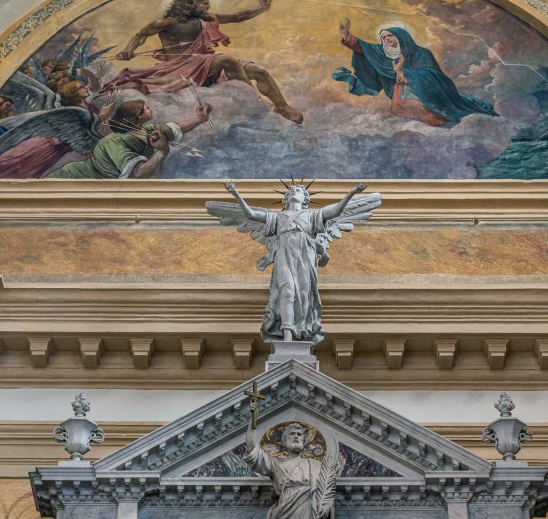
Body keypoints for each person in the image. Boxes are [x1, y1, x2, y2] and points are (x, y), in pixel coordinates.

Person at [104, 0, 303, 123]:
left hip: (205, 61)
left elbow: (237, 17)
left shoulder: (208, 18)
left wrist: (261, 8)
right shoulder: (165, 22)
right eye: (204, 4)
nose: (207, 7)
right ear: (189, 5)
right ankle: (253, 100)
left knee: (260, 71)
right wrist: (127, 50)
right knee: (228, 60)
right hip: (181, 66)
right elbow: (140, 35)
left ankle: (282, 107)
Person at [221, 180, 368, 342]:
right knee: (287, 290)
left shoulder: (312, 215)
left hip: (304, 252)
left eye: (298, 190)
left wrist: (351, 193)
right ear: (285, 198)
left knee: (304, 294)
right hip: (284, 251)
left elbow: (335, 211)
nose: (293, 191)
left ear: (305, 198)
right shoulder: (277, 217)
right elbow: (251, 215)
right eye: (290, 191)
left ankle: (302, 329)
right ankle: (287, 335)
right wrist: (235, 194)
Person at [334, 18, 497, 126]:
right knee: (397, 108)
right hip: (400, 87)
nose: (386, 40)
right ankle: (432, 121)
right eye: (383, 38)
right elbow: (363, 48)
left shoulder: (421, 53)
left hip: (423, 90)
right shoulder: (383, 53)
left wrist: (405, 73)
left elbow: (435, 75)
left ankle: (439, 119)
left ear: (401, 37)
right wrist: (346, 35)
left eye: (390, 36)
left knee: (429, 113)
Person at [46, 99, 211, 179]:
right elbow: (137, 174)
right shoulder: (115, 142)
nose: (150, 109)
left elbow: (176, 128)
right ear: (138, 116)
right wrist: (162, 152)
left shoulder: (146, 130)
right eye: (146, 108)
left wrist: (199, 120)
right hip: (74, 178)